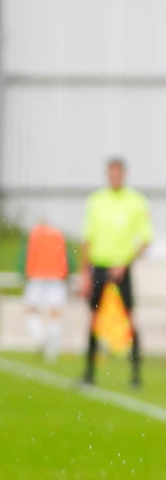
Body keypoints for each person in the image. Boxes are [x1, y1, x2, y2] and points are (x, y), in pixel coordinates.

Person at [80, 157, 151, 388]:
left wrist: (125, 262)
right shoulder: (96, 201)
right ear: (107, 175)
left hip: (123, 267)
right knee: (93, 318)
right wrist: (85, 273)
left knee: (130, 319)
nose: (115, 177)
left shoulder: (136, 202)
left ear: (124, 175)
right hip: (99, 266)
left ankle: (136, 375)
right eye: (111, 173)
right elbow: (87, 239)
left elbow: (146, 239)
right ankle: (89, 373)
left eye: (118, 173)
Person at [19, 217, 75, 361]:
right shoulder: (58, 235)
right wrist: (68, 273)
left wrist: (21, 272)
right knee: (54, 313)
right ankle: (52, 350)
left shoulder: (34, 234)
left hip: (36, 275)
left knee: (31, 309)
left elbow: (26, 255)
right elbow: (66, 256)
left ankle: (42, 337)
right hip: (56, 277)